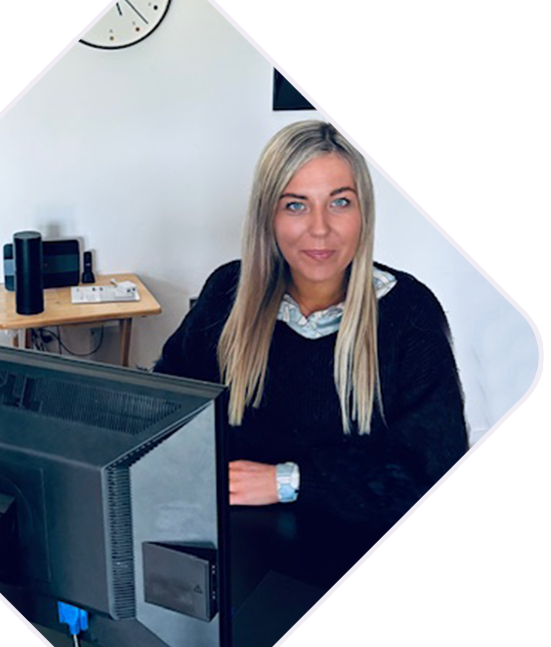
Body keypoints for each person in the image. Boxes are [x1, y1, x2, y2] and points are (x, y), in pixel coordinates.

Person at [153, 120, 468, 531]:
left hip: (366, 551)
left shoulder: (410, 313)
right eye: (296, 205)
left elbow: (437, 488)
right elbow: (168, 410)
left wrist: (288, 481)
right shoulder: (227, 292)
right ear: (268, 216)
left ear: (364, 212)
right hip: (245, 542)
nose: (320, 229)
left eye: (340, 202)